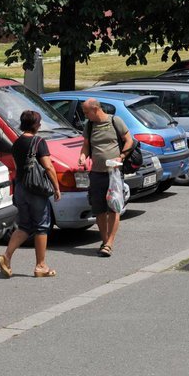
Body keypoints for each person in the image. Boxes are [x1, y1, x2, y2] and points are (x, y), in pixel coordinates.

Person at [0, 109, 58, 279]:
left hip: (21, 188)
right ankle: (41, 266)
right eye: (38, 122)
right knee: (41, 226)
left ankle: (6, 256)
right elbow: (48, 166)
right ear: (35, 124)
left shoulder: (17, 143)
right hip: (36, 189)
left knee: (24, 226)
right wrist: (57, 188)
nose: (40, 125)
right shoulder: (39, 142)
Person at [79, 98, 133, 258]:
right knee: (99, 209)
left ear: (95, 109)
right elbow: (86, 145)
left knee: (113, 207)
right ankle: (105, 242)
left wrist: (121, 156)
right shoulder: (89, 125)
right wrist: (83, 156)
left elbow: (129, 140)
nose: (84, 114)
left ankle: (109, 242)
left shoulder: (115, 121)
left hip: (113, 173)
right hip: (96, 172)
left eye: (86, 111)